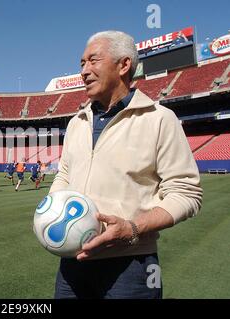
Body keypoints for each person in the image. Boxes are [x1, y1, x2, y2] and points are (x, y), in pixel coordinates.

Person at [50, 31, 203, 299]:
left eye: (93, 61)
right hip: (73, 264)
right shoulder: (77, 123)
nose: (84, 71)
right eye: (81, 63)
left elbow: (186, 194)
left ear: (124, 65)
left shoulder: (159, 119)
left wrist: (132, 229)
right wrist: (51, 209)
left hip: (131, 267)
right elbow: (64, 175)